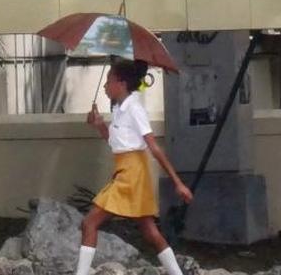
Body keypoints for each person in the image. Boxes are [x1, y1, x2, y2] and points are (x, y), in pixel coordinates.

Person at [79, 59, 194, 275]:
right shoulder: (120, 109)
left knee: (89, 223)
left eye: (108, 80)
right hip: (127, 170)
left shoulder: (134, 108)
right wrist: (99, 125)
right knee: (149, 230)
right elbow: (117, 143)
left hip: (131, 174)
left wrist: (177, 182)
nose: (105, 85)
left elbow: (154, 147)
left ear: (121, 83)